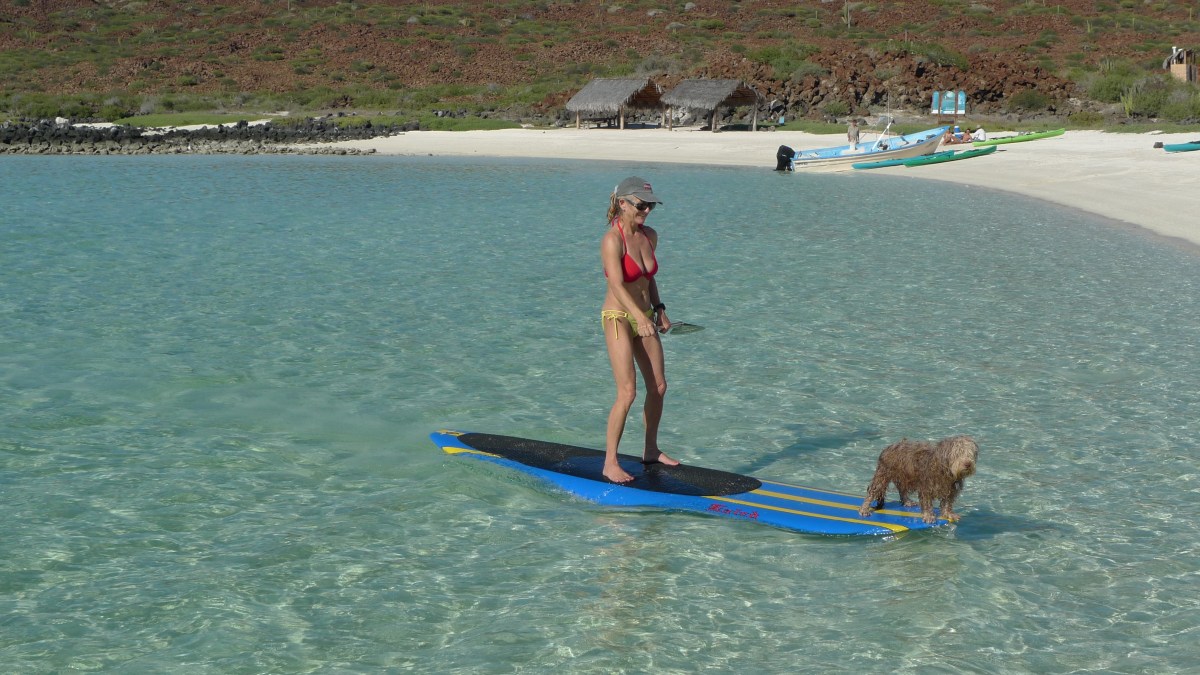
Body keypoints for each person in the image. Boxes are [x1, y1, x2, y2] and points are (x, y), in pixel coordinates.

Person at [599, 176, 679, 484]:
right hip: (618, 316)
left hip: (645, 314)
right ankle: (610, 462)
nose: (647, 211)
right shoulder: (612, 240)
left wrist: (658, 310)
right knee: (628, 392)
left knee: (658, 387)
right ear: (623, 204)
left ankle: (650, 449)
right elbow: (616, 285)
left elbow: (648, 278)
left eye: (651, 206)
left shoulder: (650, 236)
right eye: (641, 205)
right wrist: (639, 317)